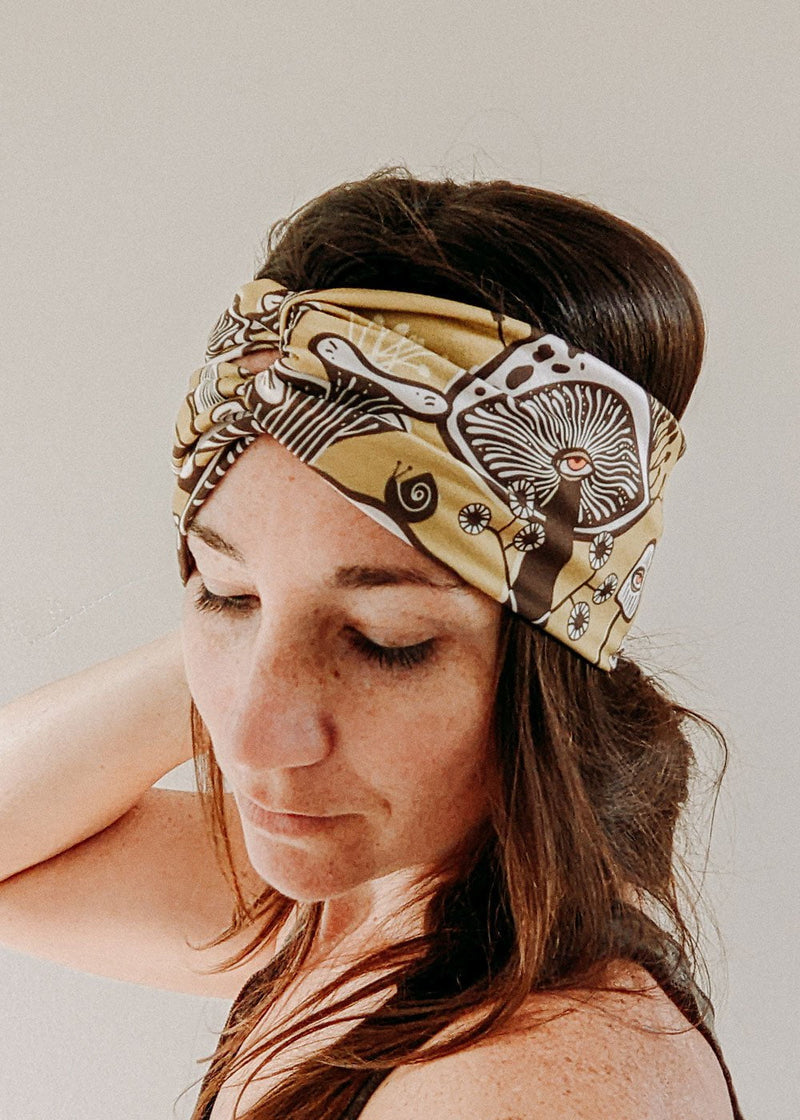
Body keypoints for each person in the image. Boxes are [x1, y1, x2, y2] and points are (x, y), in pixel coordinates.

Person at [0, 169, 745, 1119]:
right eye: (221, 591)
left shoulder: (526, 1087)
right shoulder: (352, 916)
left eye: (385, 640)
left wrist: (270, 597)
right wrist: (285, 605)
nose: (251, 739)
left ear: (550, 662)